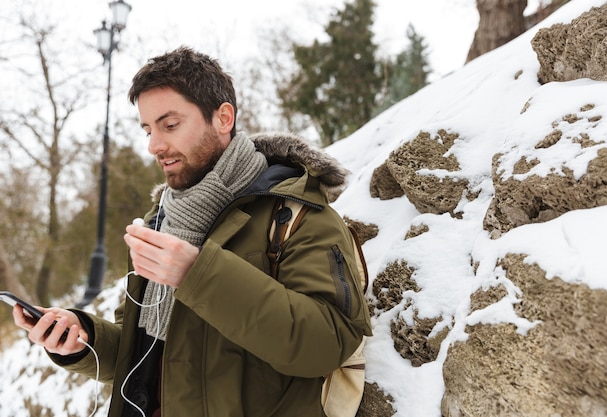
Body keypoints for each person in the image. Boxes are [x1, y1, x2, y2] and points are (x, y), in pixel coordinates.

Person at [13, 46, 372, 417]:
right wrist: (80, 339)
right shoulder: (163, 220)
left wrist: (197, 274)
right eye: (148, 130)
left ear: (223, 118)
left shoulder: (297, 214)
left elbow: (327, 344)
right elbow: (139, 354)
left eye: (170, 125)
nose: (154, 146)